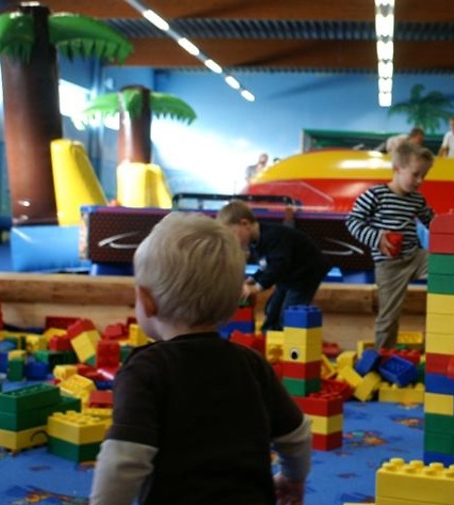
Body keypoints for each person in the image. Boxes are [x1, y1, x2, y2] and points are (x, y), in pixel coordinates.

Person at [90, 212, 311, 505]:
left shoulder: (144, 371)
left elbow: (123, 460)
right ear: (234, 303)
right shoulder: (252, 363)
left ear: (146, 300)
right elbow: (296, 435)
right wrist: (293, 477)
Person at [345, 142, 435, 350]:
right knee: (389, 316)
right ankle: (383, 353)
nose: (420, 181)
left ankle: (443, 330)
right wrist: (376, 238)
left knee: (446, 264)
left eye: (424, 175)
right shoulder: (376, 194)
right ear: (397, 169)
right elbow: (353, 221)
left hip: (414, 257)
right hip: (389, 265)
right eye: (415, 174)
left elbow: (432, 221)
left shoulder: (417, 199)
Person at [217, 200, 330, 332]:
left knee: (288, 314)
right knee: (271, 309)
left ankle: (285, 334)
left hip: (305, 274)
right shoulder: (255, 242)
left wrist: (258, 287)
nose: (233, 241)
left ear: (245, 224)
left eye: (232, 234)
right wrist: (253, 279)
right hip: (287, 275)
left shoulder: (272, 236)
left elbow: (279, 265)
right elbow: (266, 265)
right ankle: (269, 331)